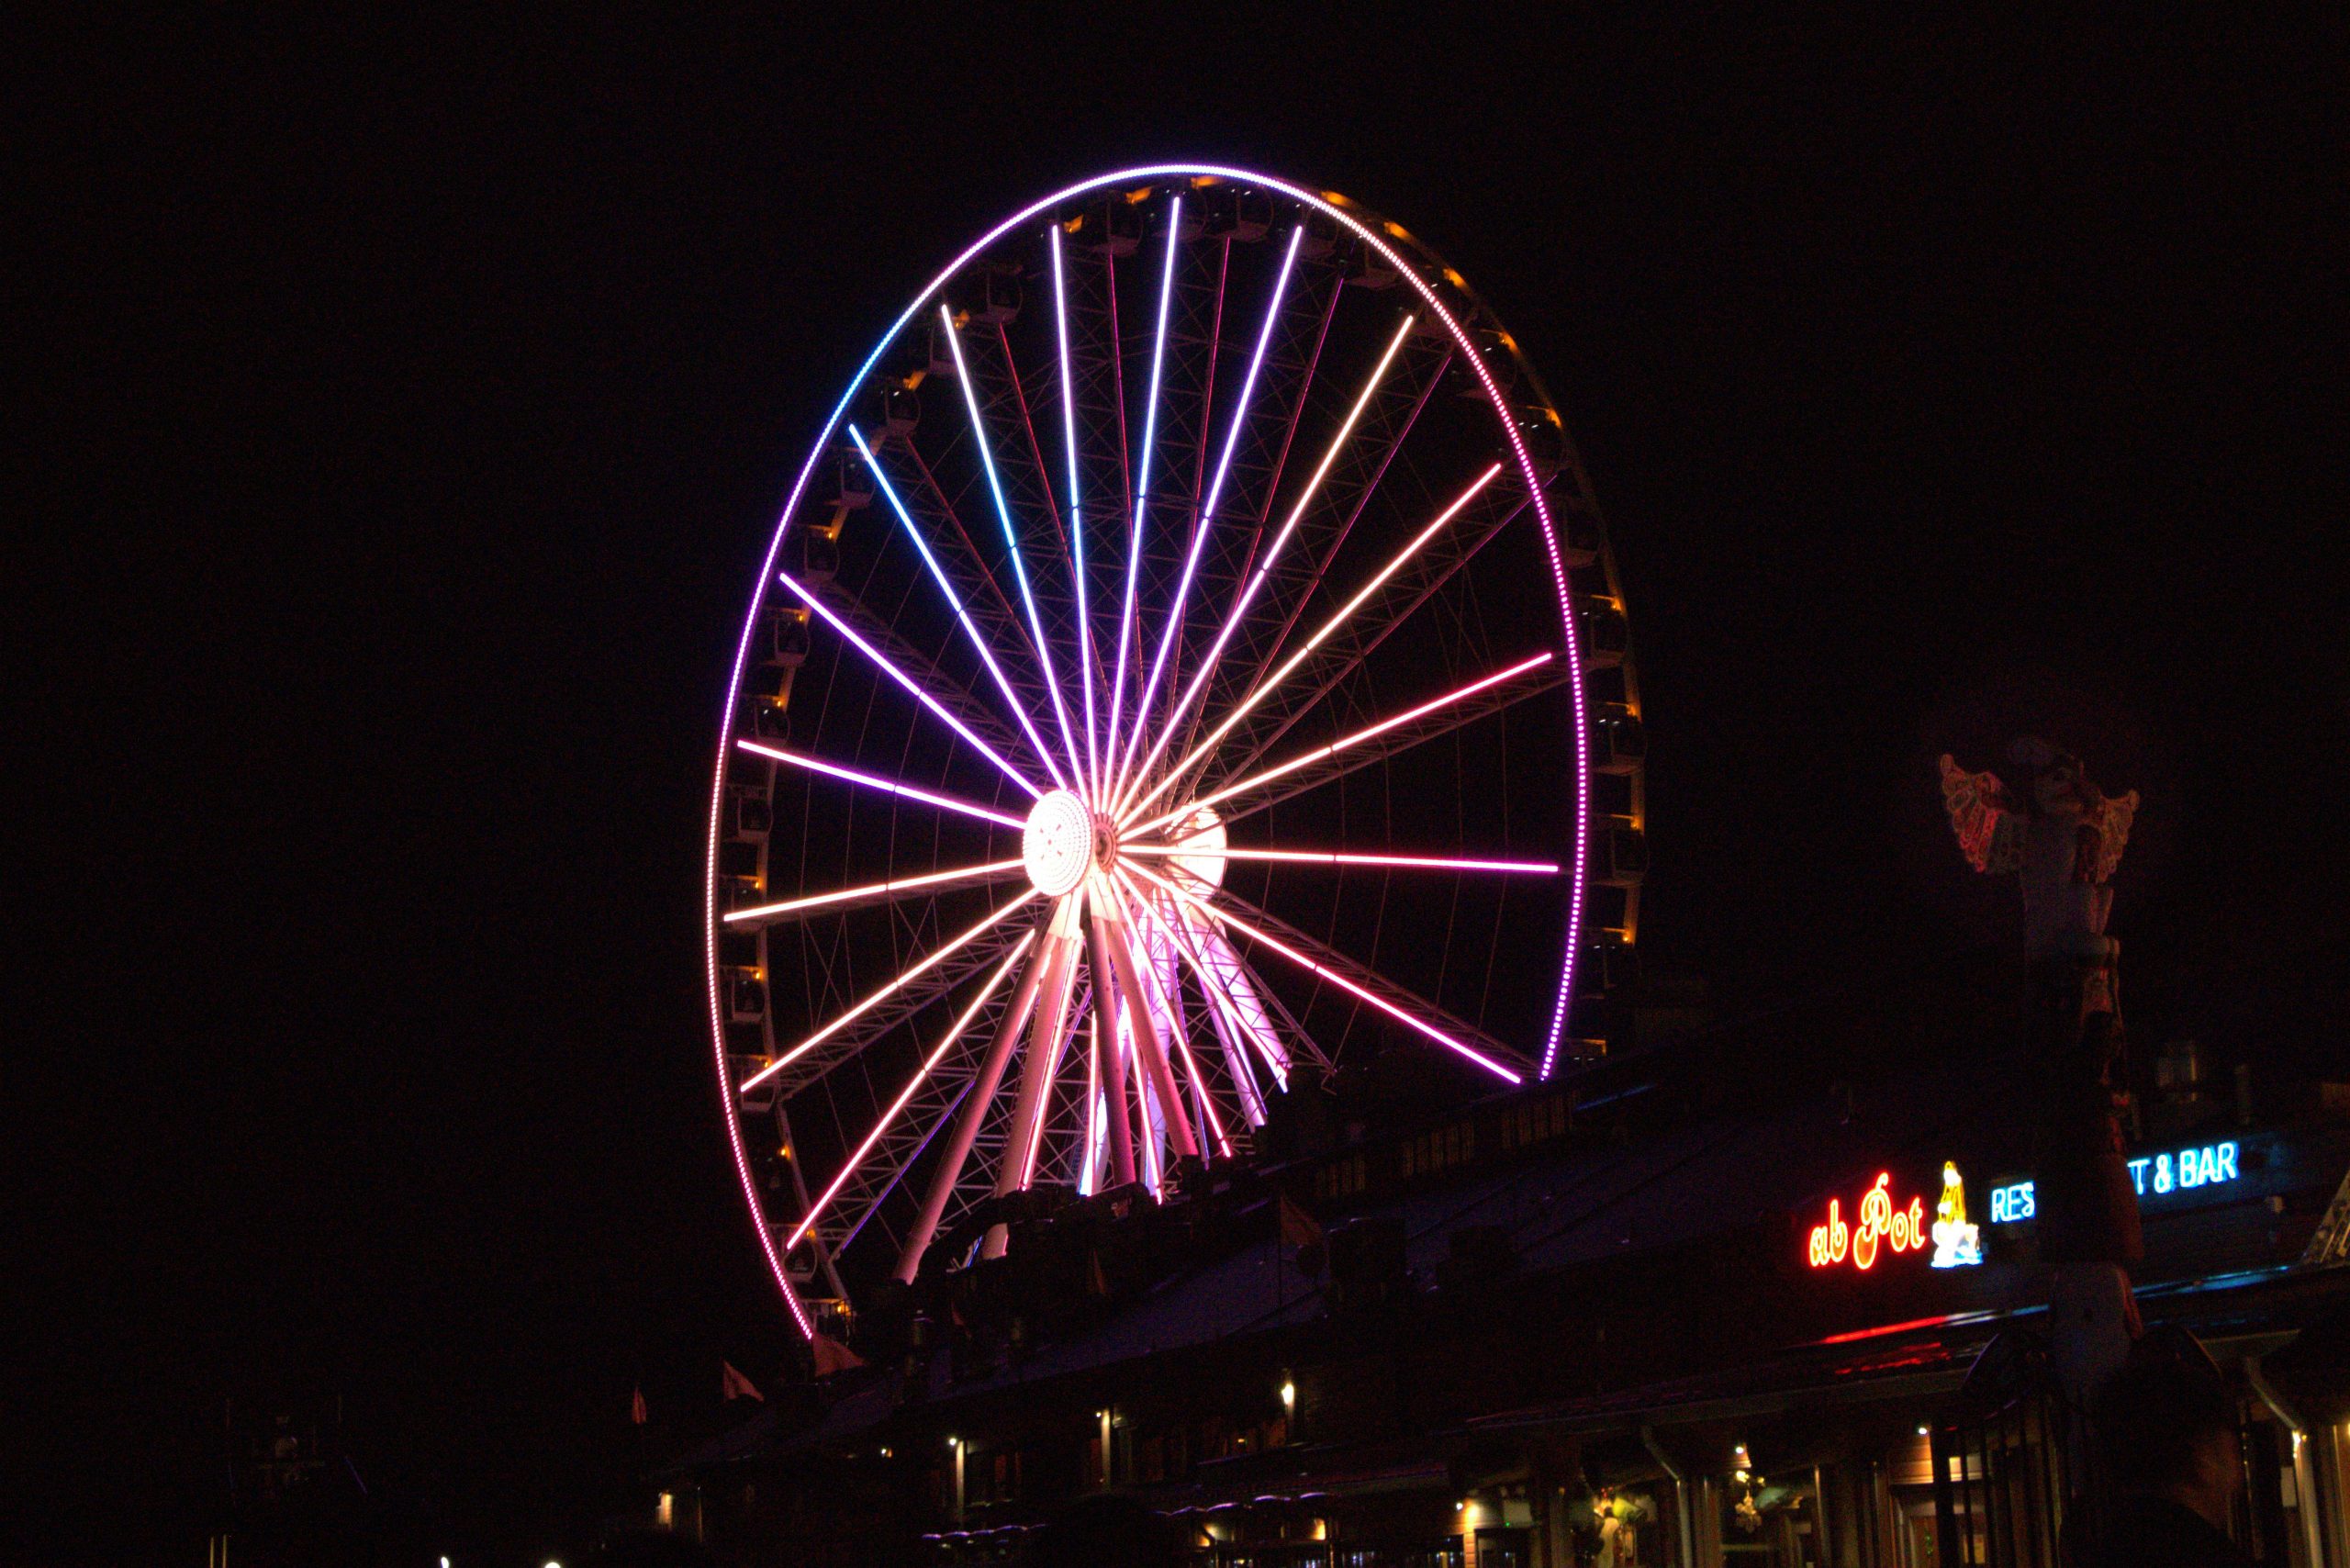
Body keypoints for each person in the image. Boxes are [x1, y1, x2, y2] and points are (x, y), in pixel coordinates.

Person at [2085, 1329, 2255, 1567]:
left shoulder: (2107, 1551)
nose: (2238, 1474)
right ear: (2202, 1455)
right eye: (2231, 1447)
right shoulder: (2211, 1556)